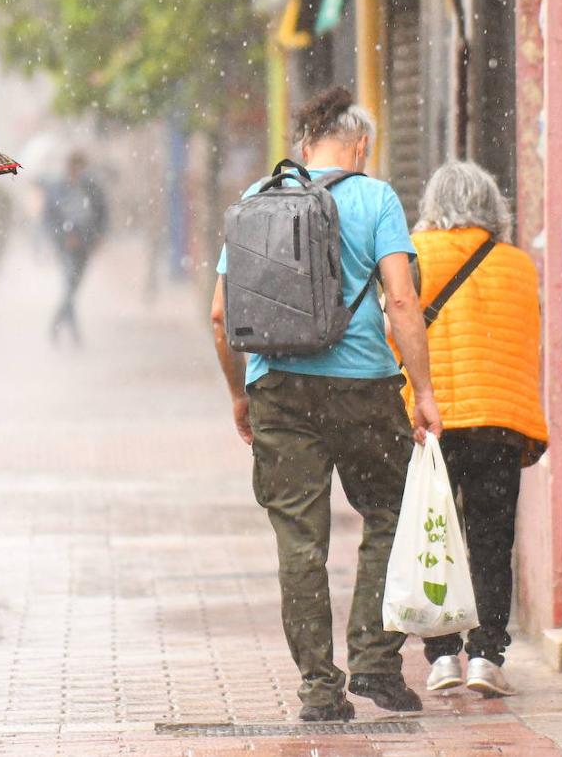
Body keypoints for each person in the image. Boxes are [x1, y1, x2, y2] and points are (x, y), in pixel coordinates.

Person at [210, 86, 442, 722]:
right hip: (365, 388)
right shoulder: (376, 197)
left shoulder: (258, 200)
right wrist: (422, 391)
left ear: (303, 144)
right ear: (361, 144)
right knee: (392, 513)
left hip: (277, 388)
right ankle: (373, 658)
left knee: (300, 542)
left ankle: (319, 688)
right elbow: (401, 301)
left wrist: (240, 394)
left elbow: (219, 313)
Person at [407, 161, 548, 697]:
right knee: (491, 541)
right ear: (492, 205)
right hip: (500, 422)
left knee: (435, 539)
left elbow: (397, 332)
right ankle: (487, 657)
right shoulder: (516, 264)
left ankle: (442, 657)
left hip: (434, 424)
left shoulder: (414, 257)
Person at [44, 151, 107, 344]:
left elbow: (102, 213)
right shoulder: (58, 188)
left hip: (85, 245)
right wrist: (64, 237)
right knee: (70, 283)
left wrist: (96, 237)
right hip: (65, 246)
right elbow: (50, 217)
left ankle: (60, 322)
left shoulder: (92, 188)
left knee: (74, 286)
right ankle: (70, 330)